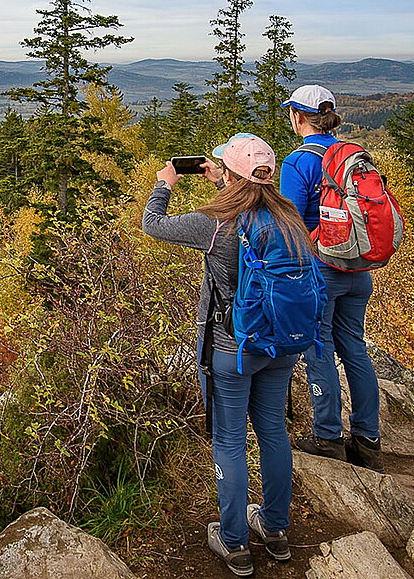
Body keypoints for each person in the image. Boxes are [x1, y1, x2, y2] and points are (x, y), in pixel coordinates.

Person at [143, 134, 311, 576]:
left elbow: (153, 225)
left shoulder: (215, 222)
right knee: (273, 431)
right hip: (281, 344)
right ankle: (274, 529)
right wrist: (225, 180)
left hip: (230, 350)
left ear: (232, 173)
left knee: (231, 440)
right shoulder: (290, 216)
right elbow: (249, 217)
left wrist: (165, 184)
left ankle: (234, 541)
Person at [280, 85, 384, 472]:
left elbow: (289, 222)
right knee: (355, 348)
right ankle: (367, 439)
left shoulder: (298, 162)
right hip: (359, 268)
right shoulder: (352, 156)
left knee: (318, 347)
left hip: (321, 268)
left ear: (297, 116)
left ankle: (327, 436)